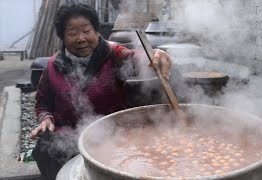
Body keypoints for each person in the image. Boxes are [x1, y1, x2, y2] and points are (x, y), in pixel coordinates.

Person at [29, 2, 172, 180]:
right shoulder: (52, 65)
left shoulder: (113, 54)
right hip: (68, 137)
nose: (81, 38)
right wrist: (45, 119)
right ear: (63, 38)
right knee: (45, 149)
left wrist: (155, 54)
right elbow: (42, 103)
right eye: (72, 33)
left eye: (87, 31)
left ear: (97, 31)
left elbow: (135, 57)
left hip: (111, 135)